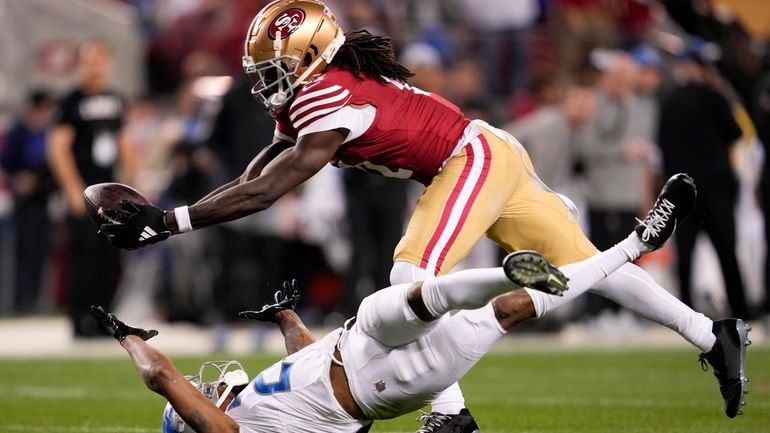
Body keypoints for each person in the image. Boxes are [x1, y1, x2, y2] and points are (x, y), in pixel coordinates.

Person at [97, 0, 748, 427]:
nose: (267, 78)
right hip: (489, 155)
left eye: (278, 66)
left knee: (411, 270)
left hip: (471, 159)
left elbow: (272, 189)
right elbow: (260, 171)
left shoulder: (329, 95)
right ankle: (710, 334)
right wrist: (166, 218)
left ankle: (449, 410)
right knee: (582, 265)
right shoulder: (311, 94)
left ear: (311, 60)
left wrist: (168, 221)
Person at [94, 188, 751, 433]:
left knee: (414, 291)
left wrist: (287, 320)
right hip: (383, 387)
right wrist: (126, 335)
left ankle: (623, 243)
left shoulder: (258, 408)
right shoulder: (228, 429)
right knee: (508, 308)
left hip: (355, 351)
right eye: (202, 397)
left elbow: (307, 371)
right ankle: (635, 243)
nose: (210, 385)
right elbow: (163, 377)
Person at [47, 40, 139, 337]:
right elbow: (58, 149)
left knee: (109, 258)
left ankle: (103, 319)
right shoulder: (70, 101)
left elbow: (125, 143)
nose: (94, 66)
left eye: (99, 60)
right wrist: (74, 190)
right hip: (85, 193)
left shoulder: (115, 99)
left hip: (110, 194)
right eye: (88, 61)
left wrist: (134, 186)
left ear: (108, 63)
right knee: (82, 258)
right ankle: (79, 320)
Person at [657, 45, 749, 319]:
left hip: (682, 192)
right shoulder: (714, 97)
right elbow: (736, 132)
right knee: (726, 252)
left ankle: (683, 309)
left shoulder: (669, 100)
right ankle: (739, 308)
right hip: (716, 189)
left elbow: (662, 144)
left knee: (685, 253)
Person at [0, 89, 56, 312]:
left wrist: (42, 184)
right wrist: (18, 180)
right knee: (23, 249)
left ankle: (38, 299)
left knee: (41, 250)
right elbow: (6, 161)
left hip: (43, 199)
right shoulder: (18, 133)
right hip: (23, 202)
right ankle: (20, 300)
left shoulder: (50, 134)